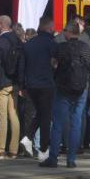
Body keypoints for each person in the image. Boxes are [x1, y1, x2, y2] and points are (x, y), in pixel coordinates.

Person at [41, 21, 90, 168]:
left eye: (65, 30)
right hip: (81, 89)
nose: (63, 32)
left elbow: (53, 64)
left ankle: (53, 158)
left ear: (69, 32)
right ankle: (71, 160)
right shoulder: (86, 47)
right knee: (76, 123)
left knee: (58, 124)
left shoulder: (61, 47)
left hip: (63, 88)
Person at [19, 16, 57, 161]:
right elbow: (57, 62)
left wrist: (22, 85)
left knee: (40, 113)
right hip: (46, 84)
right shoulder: (51, 43)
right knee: (46, 116)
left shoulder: (28, 44)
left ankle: (28, 137)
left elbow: (22, 65)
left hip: (31, 85)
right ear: (49, 28)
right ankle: (43, 149)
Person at [0, 15, 23, 159]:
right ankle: (13, 150)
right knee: (14, 115)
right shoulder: (18, 40)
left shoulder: (0, 41)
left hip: (1, 83)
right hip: (14, 83)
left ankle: (0, 149)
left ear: (1, 24)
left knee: (2, 116)